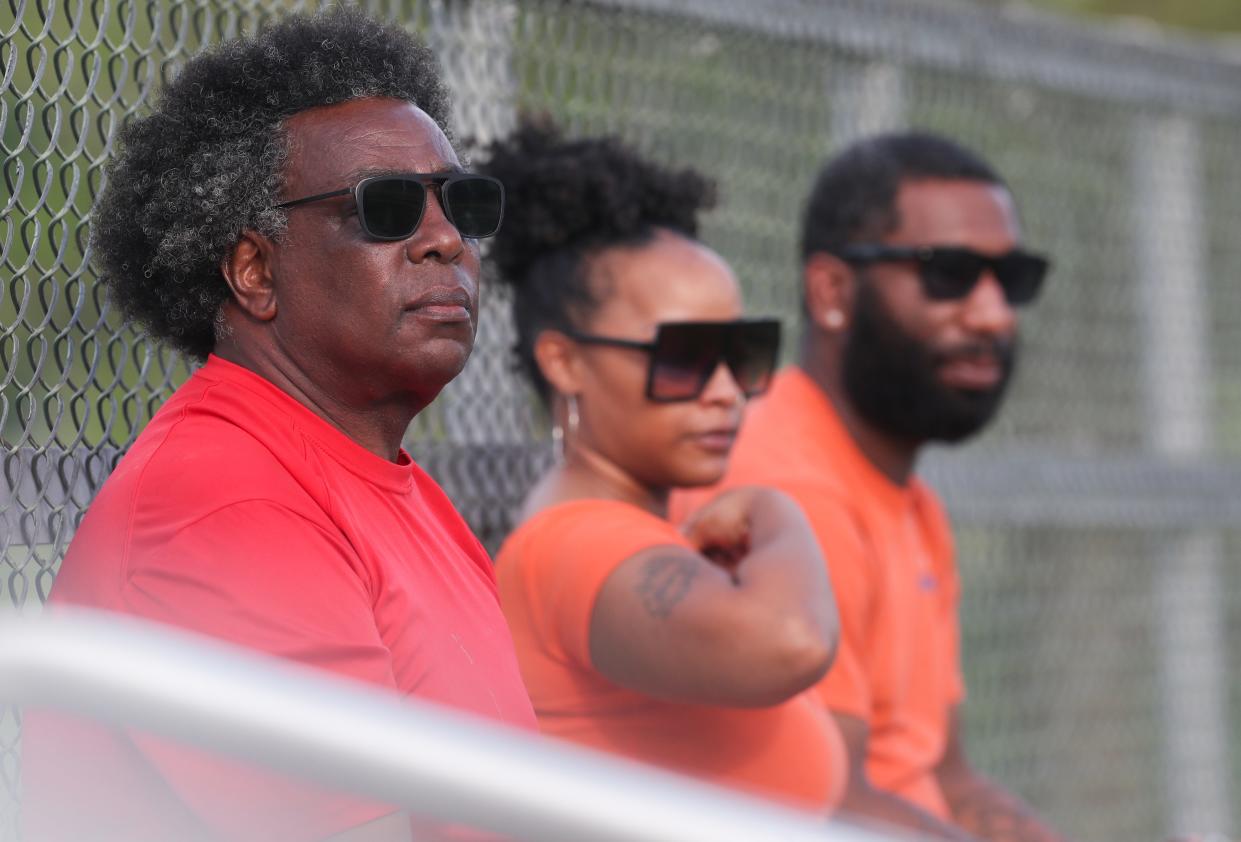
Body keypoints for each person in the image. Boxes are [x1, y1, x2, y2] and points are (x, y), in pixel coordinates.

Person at [23, 9, 534, 841]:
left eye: (459, 203)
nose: (445, 239)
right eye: (388, 207)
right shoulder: (223, 506)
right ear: (255, 270)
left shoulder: (380, 482)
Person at [675, 132, 1064, 841]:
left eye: (1010, 280)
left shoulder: (909, 499)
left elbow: (947, 778)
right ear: (831, 291)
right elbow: (818, 801)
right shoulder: (784, 490)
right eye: (949, 273)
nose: (992, 314)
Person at [479, 118, 847, 815]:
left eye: (741, 353)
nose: (723, 390)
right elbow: (790, 641)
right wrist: (776, 513)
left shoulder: (632, 533)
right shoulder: (575, 546)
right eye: (682, 358)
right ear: (565, 361)